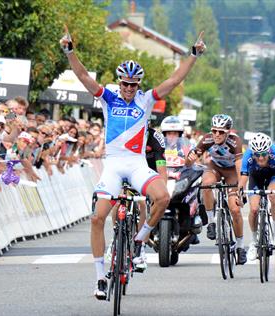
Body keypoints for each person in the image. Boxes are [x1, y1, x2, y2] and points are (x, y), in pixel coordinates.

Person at [60, 24, 206, 299]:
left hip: (138, 164)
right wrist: (69, 51)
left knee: (163, 197)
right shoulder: (108, 98)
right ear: (120, 82)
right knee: (97, 218)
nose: (129, 88)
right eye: (125, 83)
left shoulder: (146, 99)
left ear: (138, 84)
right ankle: (100, 278)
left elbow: (174, 80)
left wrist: (194, 56)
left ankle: (139, 241)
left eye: (133, 84)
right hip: (113, 165)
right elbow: (81, 75)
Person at [185, 114, 246, 265]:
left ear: (228, 132)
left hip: (232, 171)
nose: (217, 135)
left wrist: (240, 188)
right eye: (214, 131)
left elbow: (240, 167)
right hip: (215, 168)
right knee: (206, 184)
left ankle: (240, 247)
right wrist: (189, 159)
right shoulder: (207, 139)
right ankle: (212, 222)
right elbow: (187, 163)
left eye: (221, 132)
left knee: (235, 209)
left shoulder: (235, 141)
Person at [239, 133, 275, 261]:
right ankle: (253, 242)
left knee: (273, 195)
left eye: (264, 154)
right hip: (255, 178)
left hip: (273, 176)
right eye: (257, 155)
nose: (261, 158)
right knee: (253, 209)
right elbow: (243, 178)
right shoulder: (247, 155)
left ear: (269, 151)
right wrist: (239, 192)